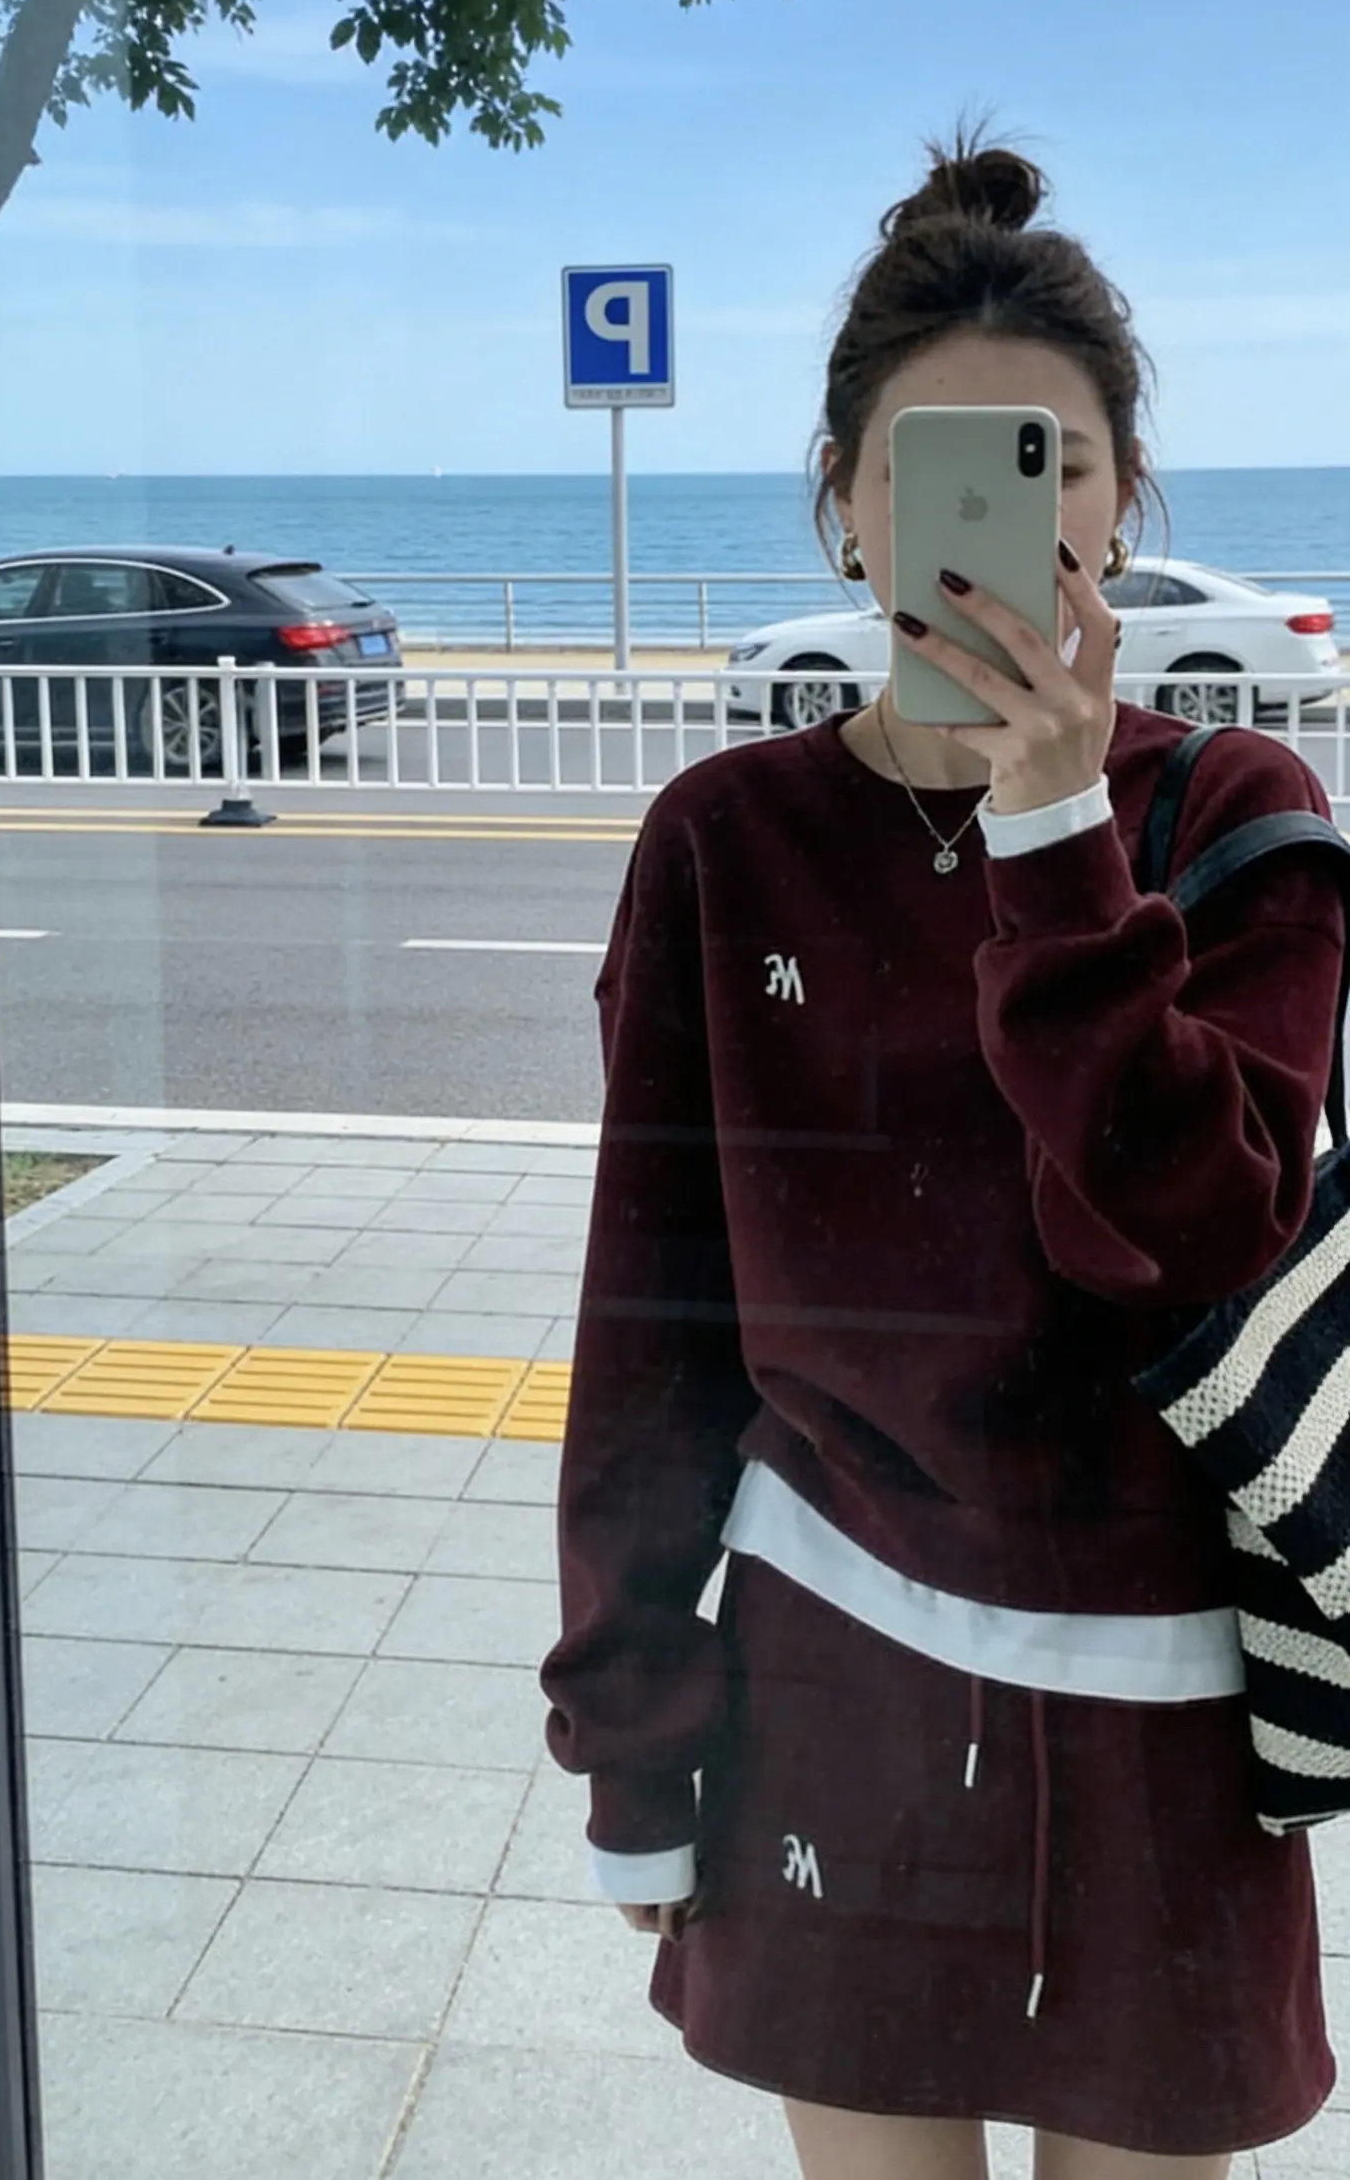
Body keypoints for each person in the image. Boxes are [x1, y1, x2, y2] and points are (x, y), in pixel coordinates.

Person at [538, 134, 1347, 2180]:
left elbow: (1191, 1229)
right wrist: (633, 1739)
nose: (1013, 511)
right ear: (848, 499)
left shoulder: (1235, 813)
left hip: (1167, 1705)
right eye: (937, 463)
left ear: (1122, 497)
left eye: (1053, 460)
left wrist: (1053, 837)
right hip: (836, 1676)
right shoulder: (728, 839)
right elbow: (653, 1330)